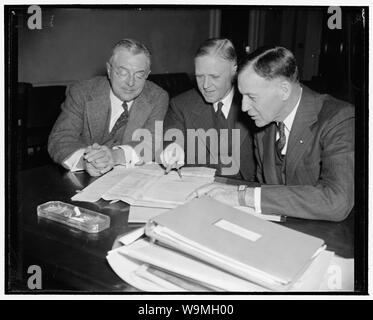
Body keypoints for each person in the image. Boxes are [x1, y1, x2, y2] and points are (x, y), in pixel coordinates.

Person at [189, 46, 354, 221]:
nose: (244, 107)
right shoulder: (264, 124)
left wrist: (243, 196)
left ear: (284, 90)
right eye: (242, 96)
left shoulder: (340, 119)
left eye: (252, 97)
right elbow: (266, 186)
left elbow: (337, 201)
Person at [48, 39, 169, 176]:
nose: (131, 82)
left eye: (139, 75)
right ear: (109, 70)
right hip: (84, 179)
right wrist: (87, 161)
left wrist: (114, 156)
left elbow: (151, 143)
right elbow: (60, 139)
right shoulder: (82, 92)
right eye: (123, 73)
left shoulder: (157, 97)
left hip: (128, 179)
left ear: (147, 74)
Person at [160, 38, 256, 180]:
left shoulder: (257, 104)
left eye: (214, 76)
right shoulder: (181, 105)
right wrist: (172, 150)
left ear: (234, 70)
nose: (205, 85)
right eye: (199, 76)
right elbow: (172, 138)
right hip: (198, 189)